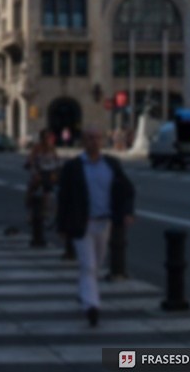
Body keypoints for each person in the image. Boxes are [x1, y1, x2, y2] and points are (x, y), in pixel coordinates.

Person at [57, 126, 135, 327]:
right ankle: (92, 306)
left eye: (97, 138)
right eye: (90, 138)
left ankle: (84, 292)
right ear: (83, 141)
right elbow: (63, 197)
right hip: (81, 223)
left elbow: (127, 190)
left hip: (104, 222)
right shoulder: (73, 167)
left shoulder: (111, 164)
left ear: (102, 141)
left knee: (96, 265)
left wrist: (127, 212)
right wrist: (62, 225)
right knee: (88, 265)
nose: (94, 141)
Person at [26, 129, 60, 230]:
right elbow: (31, 160)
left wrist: (57, 169)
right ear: (42, 138)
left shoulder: (52, 148)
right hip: (39, 172)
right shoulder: (37, 147)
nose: (47, 139)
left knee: (48, 193)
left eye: (48, 137)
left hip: (50, 173)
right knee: (32, 188)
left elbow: (57, 160)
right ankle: (30, 210)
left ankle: (46, 213)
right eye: (45, 137)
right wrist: (34, 171)